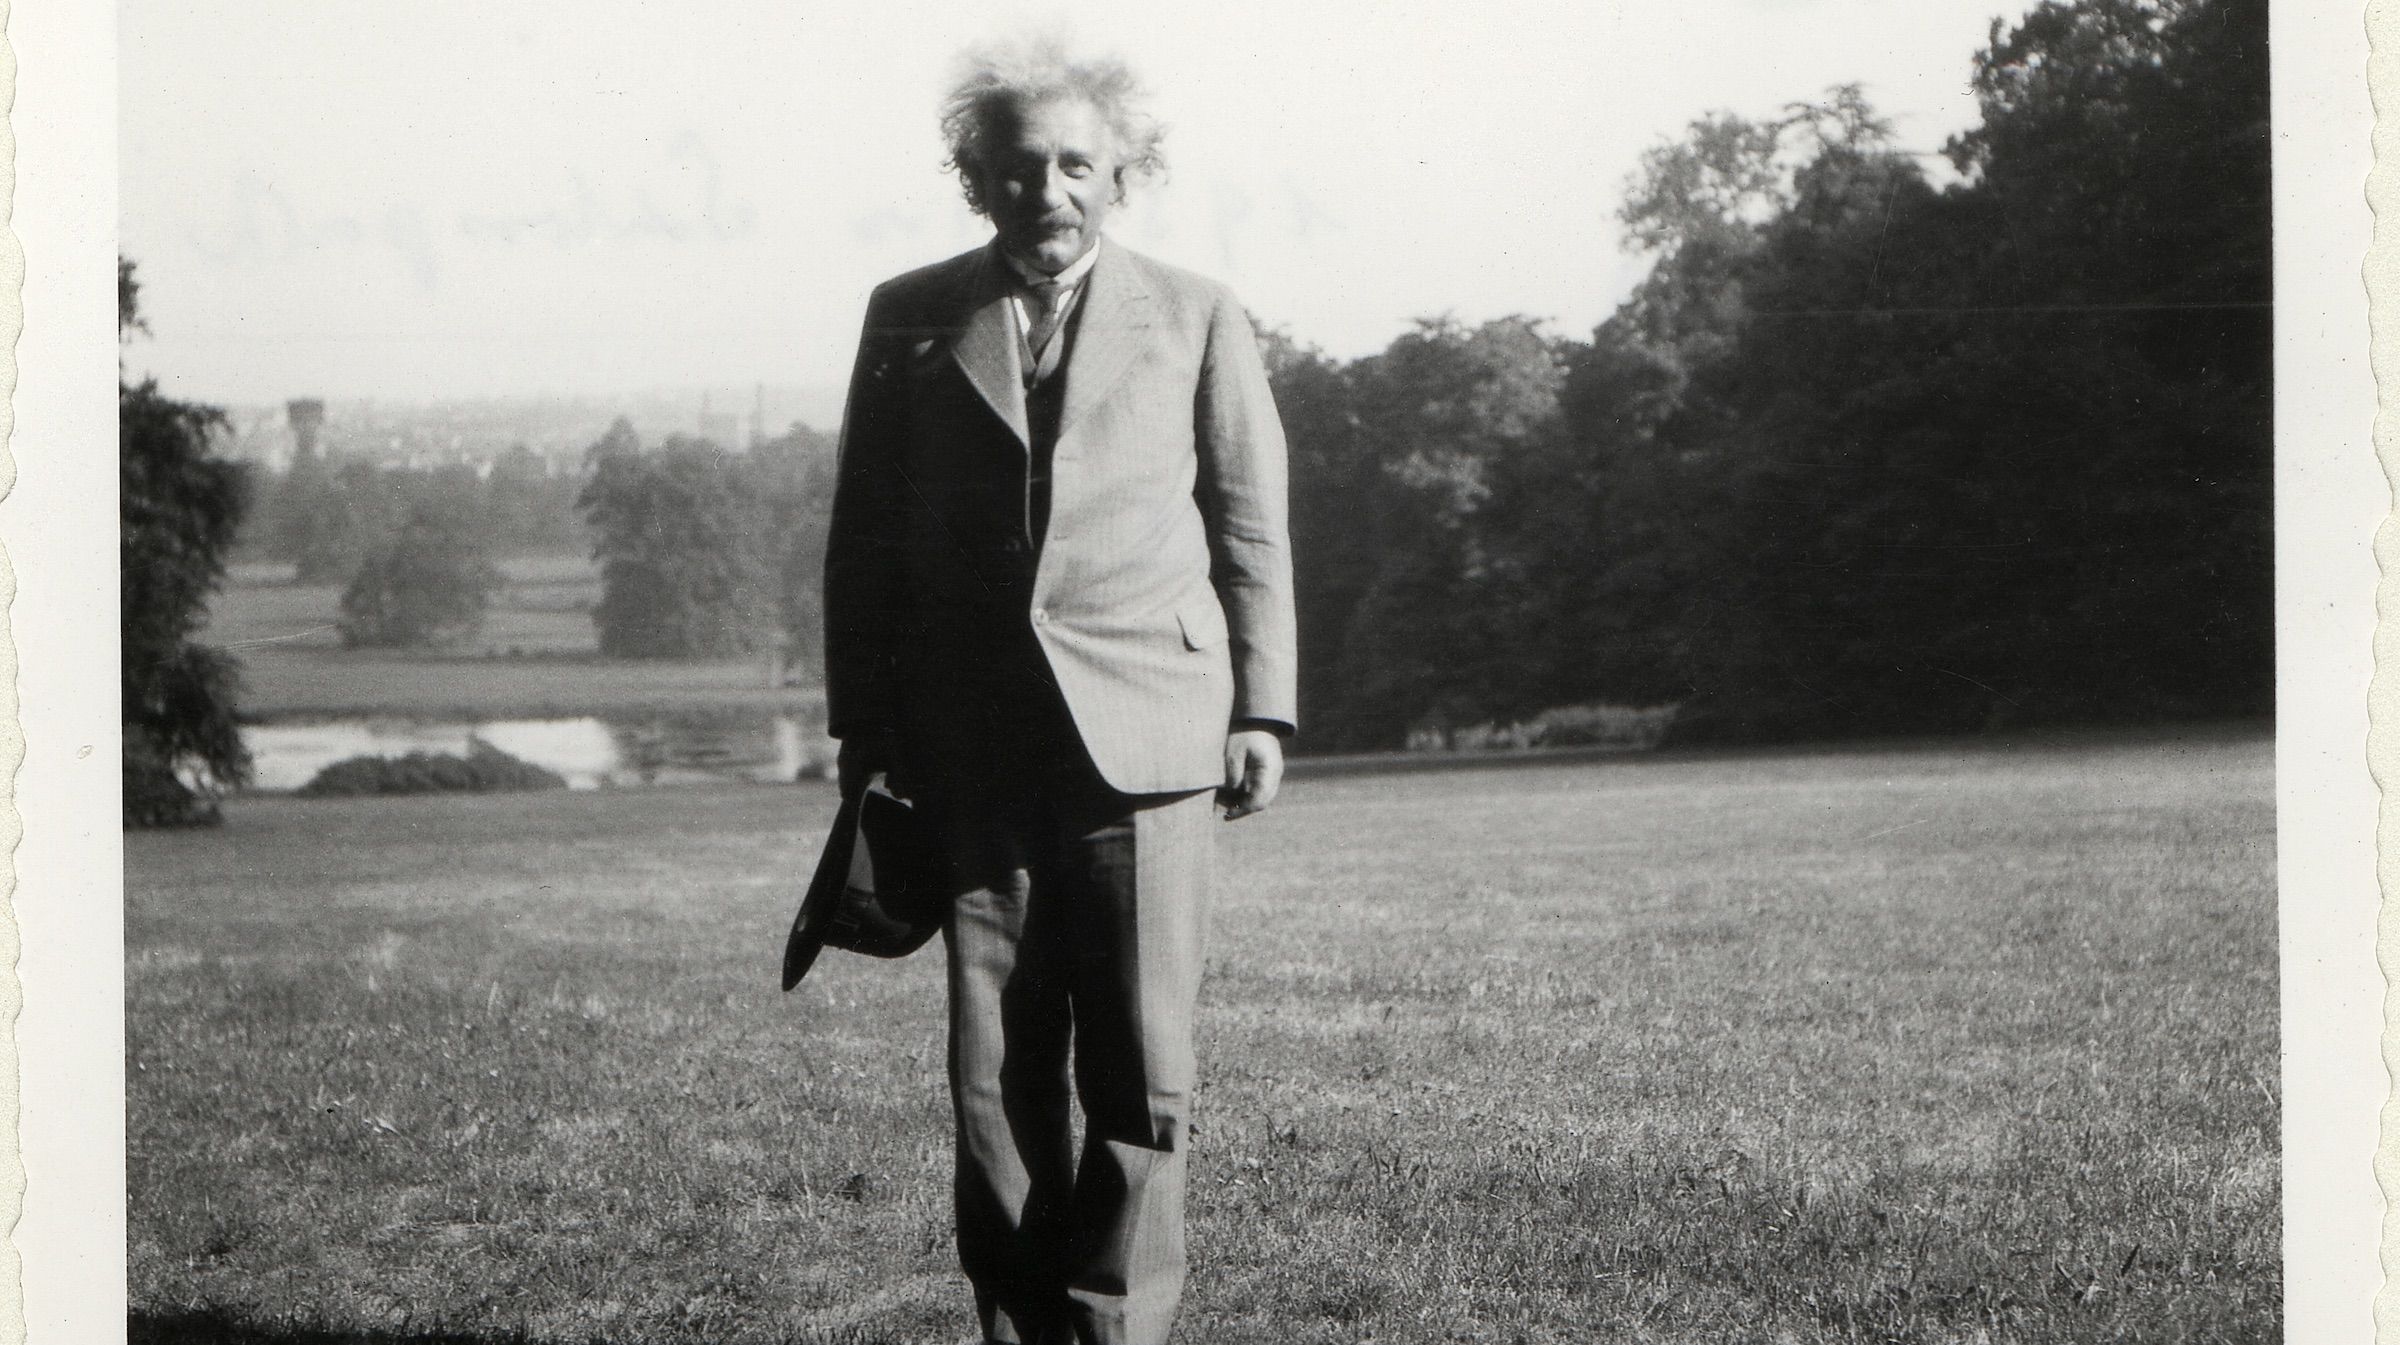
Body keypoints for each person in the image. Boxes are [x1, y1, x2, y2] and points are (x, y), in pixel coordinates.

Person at [820, 37, 1298, 1345]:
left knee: (1144, 1072)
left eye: (1078, 165)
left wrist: (1263, 708)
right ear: (977, 179)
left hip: (1153, 739)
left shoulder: (1199, 313)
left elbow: (1250, 524)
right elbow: (863, 534)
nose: (1050, 191)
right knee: (995, 1074)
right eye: (1020, 167)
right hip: (968, 751)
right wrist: (865, 722)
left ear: (1122, 176)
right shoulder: (910, 313)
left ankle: (1116, 1328)